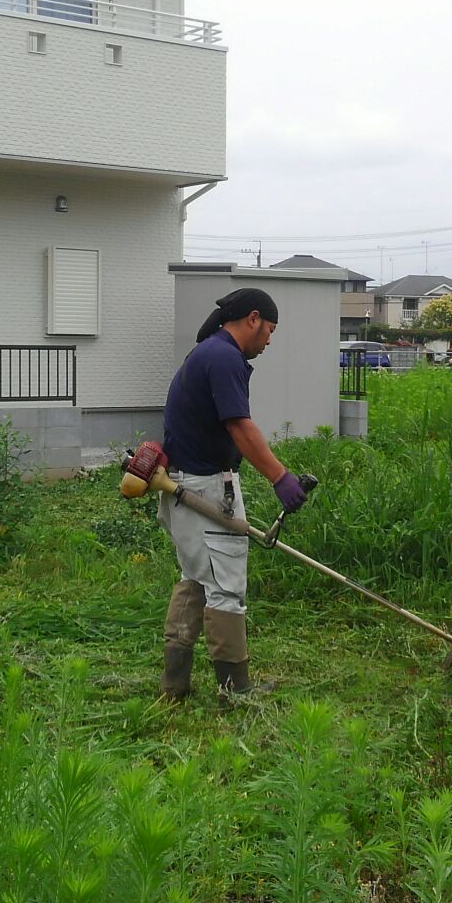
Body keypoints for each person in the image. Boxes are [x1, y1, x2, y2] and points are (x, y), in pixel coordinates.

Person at [158, 287, 309, 703]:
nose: (270, 340)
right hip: (204, 488)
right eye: (270, 330)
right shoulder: (224, 357)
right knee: (225, 585)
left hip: (182, 484)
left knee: (197, 580)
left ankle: (174, 686)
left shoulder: (205, 353)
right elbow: (240, 427)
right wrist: (280, 477)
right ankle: (234, 689)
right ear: (253, 318)